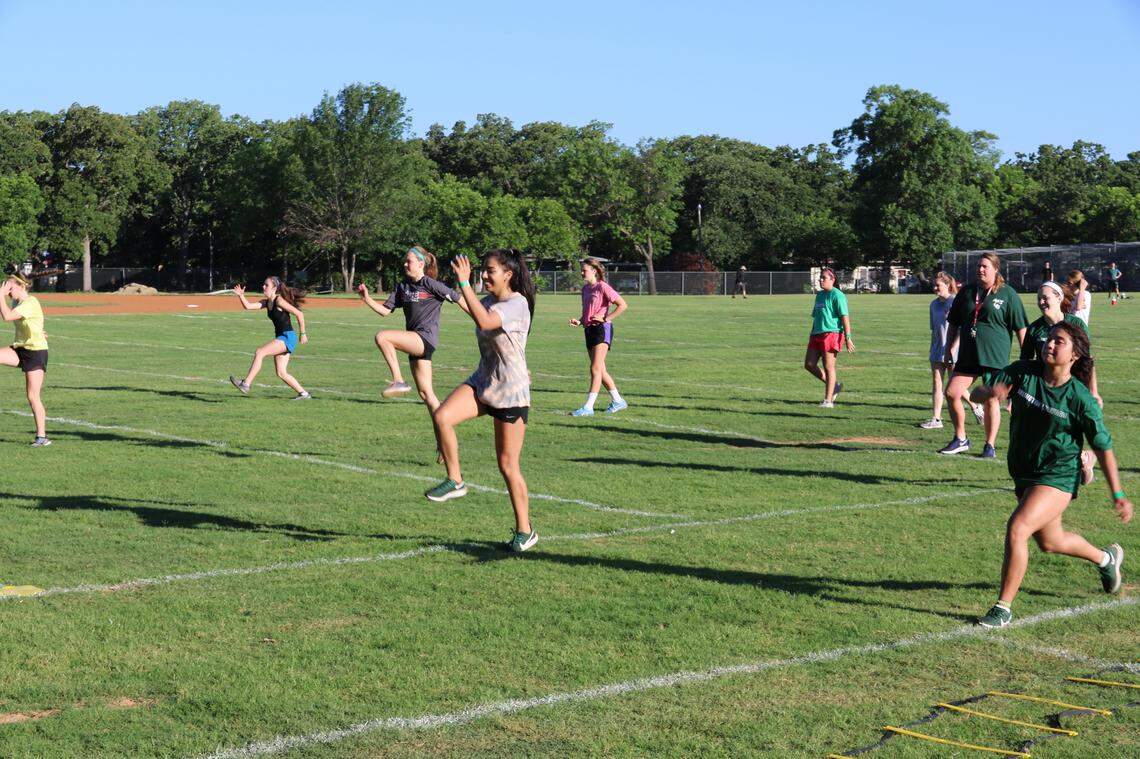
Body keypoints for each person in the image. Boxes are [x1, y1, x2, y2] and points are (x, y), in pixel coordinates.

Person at [973, 322, 1132, 628]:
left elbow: (1103, 447)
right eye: (1050, 339)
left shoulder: (1080, 398)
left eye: (1059, 341)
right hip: (1025, 472)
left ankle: (1002, 608)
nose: (1050, 344)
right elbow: (978, 393)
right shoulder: (1022, 372)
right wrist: (990, 392)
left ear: (1074, 355)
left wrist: (1118, 494)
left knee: (1018, 528)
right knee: (1051, 541)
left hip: (1059, 474)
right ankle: (1106, 559)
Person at [425, 249, 538, 553]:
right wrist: (430, 281)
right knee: (442, 416)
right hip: (484, 381)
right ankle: (455, 480)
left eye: (490, 271)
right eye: (483, 270)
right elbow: (468, 305)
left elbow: (486, 322)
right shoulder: (488, 301)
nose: (485, 275)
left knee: (508, 465)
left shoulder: (517, 304)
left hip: (510, 390)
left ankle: (525, 531)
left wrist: (465, 283)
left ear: (508, 275)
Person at [940, 252, 1028, 457]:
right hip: (968, 355)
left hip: (994, 356)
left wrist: (1025, 358)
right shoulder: (967, 292)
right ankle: (960, 438)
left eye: (985, 266)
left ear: (995, 269)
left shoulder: (1007, 294)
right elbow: (953, 322)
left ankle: (990, 445)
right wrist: (948, 348)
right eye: (978, 266)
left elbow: (1021, 328)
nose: (980, 269)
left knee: (991, 400)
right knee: (952, 393)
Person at [356, 246, 467, 404]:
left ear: (421, 264)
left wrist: (481, 319)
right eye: (405, 261)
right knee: (426, 394)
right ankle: (443, 419)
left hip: (425, 339)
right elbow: (385, 311)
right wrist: (367, 299)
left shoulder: (430, 284)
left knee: (383, 337)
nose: (405, 264)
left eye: (409, 261)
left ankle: (398, 380)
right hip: (415, 344)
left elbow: (460, 299)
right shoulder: (403, 286)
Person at [1022, 280, 1101, 486]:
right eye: (1039, 298)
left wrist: (1093, 391)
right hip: (1047, 390)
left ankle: (1084, 459)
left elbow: (1088, 360)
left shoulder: (1076, 324)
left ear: (1058, 298)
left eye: (1045, 297)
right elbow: (1025, 364)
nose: (1041, 302)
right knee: (1051, 430)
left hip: (1074, 388)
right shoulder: (1034, 329)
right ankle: (1082, 460)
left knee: (1069, 428)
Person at [228, 276, 311, 399]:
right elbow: (248, 306)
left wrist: (303, 334)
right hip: (282, 337)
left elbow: (299, 314)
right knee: (281, 373)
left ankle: (246, 384)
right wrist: (241, 295)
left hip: (287, 337)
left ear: (274, 288)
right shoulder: (266, 302)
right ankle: (304, 394)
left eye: (266, 285)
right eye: (264, 284)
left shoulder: (279, 301)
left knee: (260, 352)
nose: (263, 287)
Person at [570, 258, 628, 417]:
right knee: (600, 370)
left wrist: (606, 318)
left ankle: (588, 407)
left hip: (602, 329)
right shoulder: (585, 289)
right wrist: (580, 321)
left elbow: (622, 305)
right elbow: (587, 311)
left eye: (584, 270)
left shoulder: (603, 286)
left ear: (594, 271)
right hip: (589, 330)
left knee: (595, 368)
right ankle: (618, 401)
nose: (582, 273)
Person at [0, 275, 50, 446]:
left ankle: (42, 437)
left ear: (21, 286)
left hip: (35, 352)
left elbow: (7, 317)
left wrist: (0, 295)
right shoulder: (17, 302)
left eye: (10, 288)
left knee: (32, 396)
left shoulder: (30, 302)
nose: (8, 292)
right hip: (21, 348)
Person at [803, 268, 854, 408]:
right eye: (820, 277)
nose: (821, 280)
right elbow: (816, 317)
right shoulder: (819, 295)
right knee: (809, 364)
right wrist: (812, 333)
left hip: (832, 334)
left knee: (828, 367)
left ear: (832, 280)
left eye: (824, 277)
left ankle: (828, 401)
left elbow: (845, 317)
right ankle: (834, 387)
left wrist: (848, 337)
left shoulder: (838, 295)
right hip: (816, 334)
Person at [920, 272, 957, 429]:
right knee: (937, 382)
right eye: (934, 285)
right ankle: (936, 419)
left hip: (953, 350)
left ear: (947, 285)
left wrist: (953, 347)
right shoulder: (933, 305)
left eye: (938, 285)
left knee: (955, 386)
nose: (935, 288)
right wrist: (932, 348)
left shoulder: (955, 302)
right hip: (937, 349)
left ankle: (976, 408)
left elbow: (961, 328)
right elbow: (934, 329)